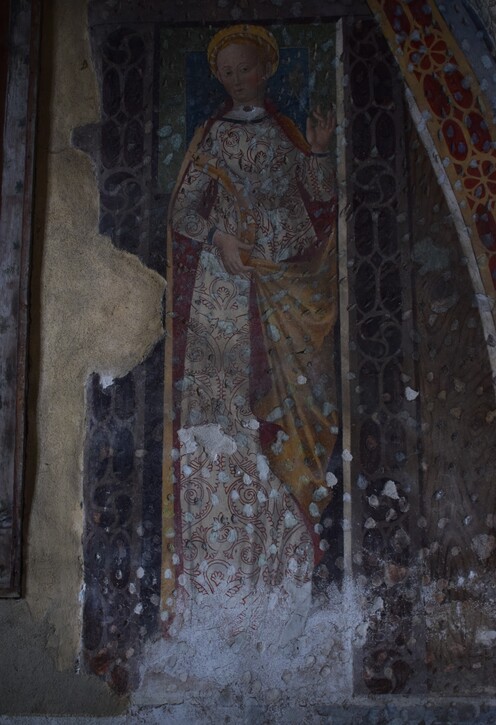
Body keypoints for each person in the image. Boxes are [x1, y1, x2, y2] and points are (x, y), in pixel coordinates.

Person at [162, 24, 339, 620]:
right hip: (226, 291)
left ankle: (284, 568)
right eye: (228, 72)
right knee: (227, 421)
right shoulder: (212, 137)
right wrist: (219, 236)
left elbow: (316, 195)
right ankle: (225, 570)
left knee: (291, 413)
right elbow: (184, 210)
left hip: (285, 280)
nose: (238, 79)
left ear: (267, 67)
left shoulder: (284, 132)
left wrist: (317, 151)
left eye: (247, 68)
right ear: (219, 77)